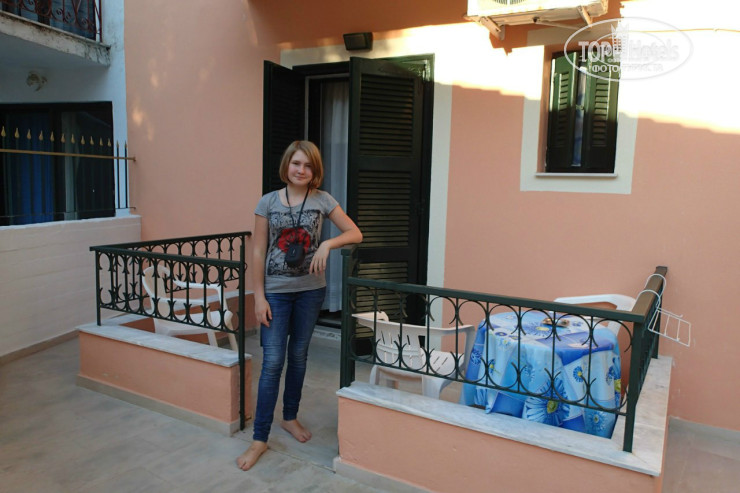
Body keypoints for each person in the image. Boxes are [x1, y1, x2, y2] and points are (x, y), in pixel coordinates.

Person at [237, 140, 362, 471]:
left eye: (308, 165)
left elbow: (355, 233)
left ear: (314, 170)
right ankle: (259, 438)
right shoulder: (267, 202)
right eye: (296, 163)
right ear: (287, 165)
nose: (301, 170)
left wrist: (328, 244)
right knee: (272, 362)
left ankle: (290, 416)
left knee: (298, 356)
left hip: (310, 291)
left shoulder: (322, 200)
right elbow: (258, 251)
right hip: (275, 293)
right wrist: (259, 296)